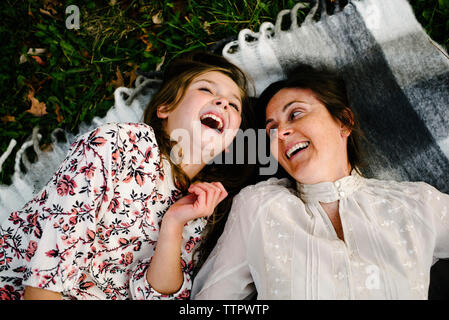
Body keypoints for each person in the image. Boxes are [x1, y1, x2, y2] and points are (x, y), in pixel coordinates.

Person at [0, 51, 253, 300]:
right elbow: (47, 273)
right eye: (206, 90)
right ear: (165, 108)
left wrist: (174, 225)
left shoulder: (201, 206)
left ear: (228, 143)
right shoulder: (122, 143)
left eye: (234, 105)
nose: (222, 103)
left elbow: (155, 296)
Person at [191, 64, 449, 299]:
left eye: (296, 114)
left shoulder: (416, 204)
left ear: (344, 122)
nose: (280, 133)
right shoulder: (259, 207)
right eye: (271, 129)